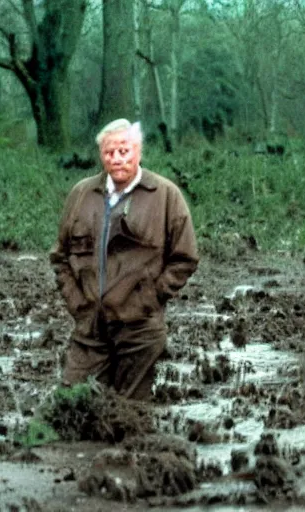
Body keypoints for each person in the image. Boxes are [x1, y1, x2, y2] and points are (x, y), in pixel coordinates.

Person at [50, 119, 199, 400]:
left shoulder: (166, 195)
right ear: (101, 155)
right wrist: (78, 304)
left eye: (124, 151)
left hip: (139, 329)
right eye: (109, 153)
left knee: (128, 413)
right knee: (70, 405)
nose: (116, 159)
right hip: (90, 328)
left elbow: (185, 258)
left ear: (138, 151)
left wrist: (148, 299)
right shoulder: (81, 195)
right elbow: (60, 257)